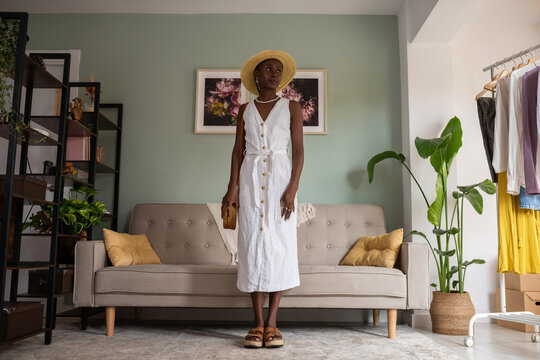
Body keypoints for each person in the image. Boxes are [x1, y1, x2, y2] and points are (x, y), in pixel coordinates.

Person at [221, 50, 304, 349]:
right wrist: (232, 189)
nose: (274, 73)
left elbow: (299, 151)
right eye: (268, 68)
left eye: (278, 70)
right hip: (250, 180)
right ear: (256, 76)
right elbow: (237, 151)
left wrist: (292, 188)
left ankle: (272, 324)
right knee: (253, 245)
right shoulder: (244, 110)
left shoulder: (292, 107)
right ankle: (256, 323)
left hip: (281, 179)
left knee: (279, 245)